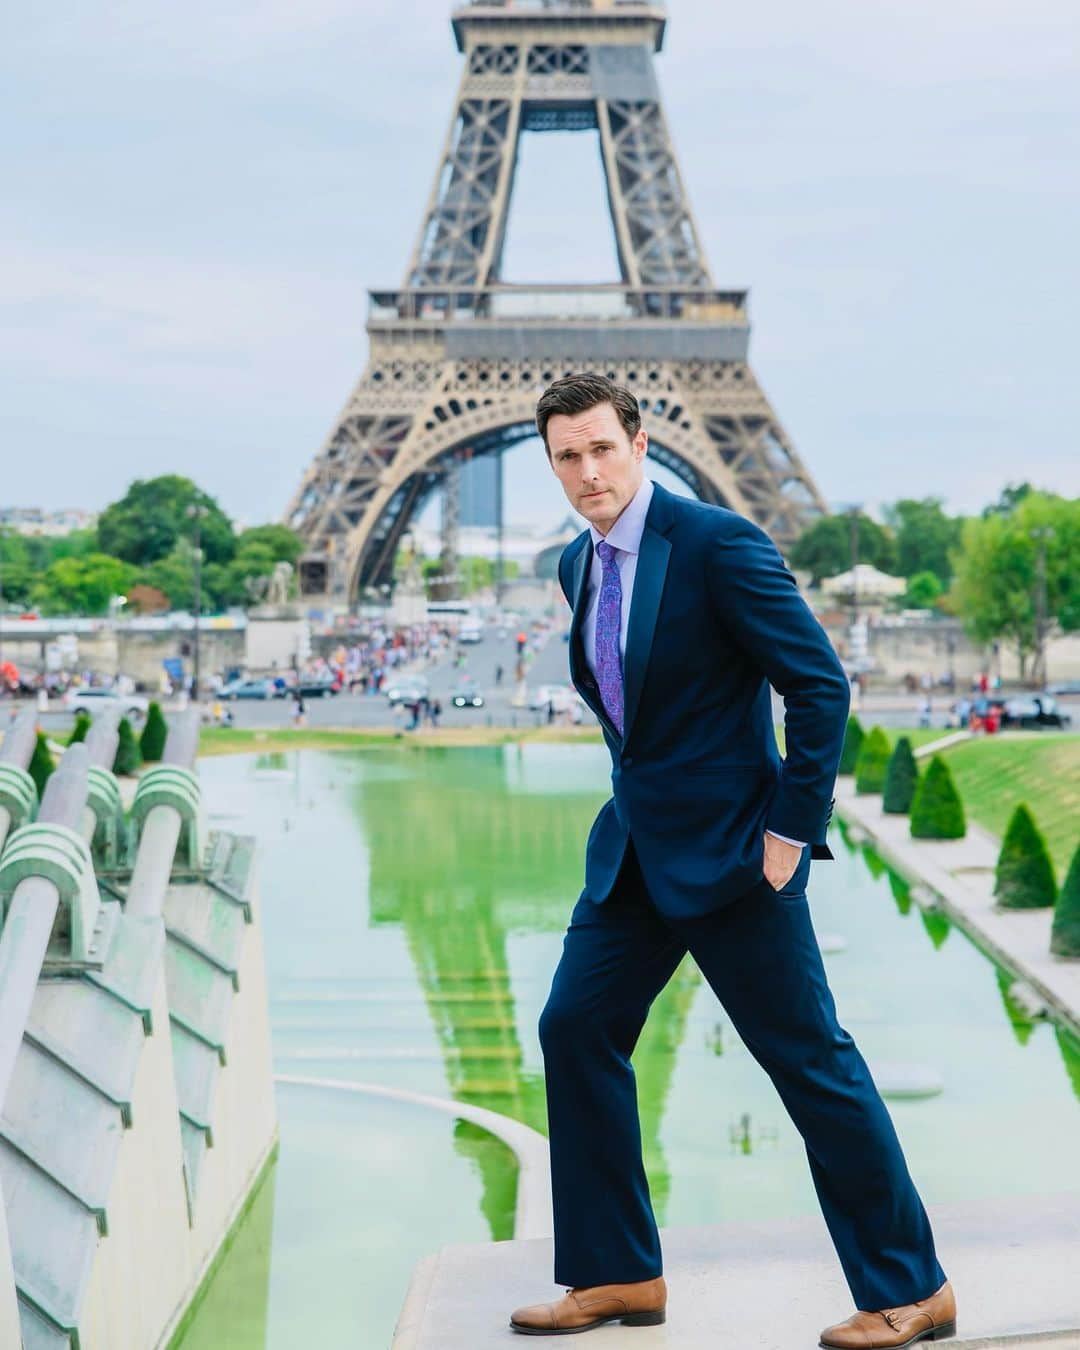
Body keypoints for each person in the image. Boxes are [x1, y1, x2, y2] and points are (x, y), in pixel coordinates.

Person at [509, 375, 954, 1346]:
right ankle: (618, 1272)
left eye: (601, 449)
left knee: (811, 1069)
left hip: (738, 861)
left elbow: (818, 685)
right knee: (573, 1029)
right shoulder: (577, 569)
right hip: (633, 857)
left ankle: (913, 1287)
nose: (586, 472)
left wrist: (789, 837)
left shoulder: (718, 545)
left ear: (639, 442)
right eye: (565, 457)